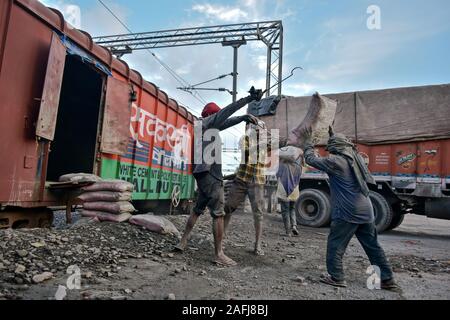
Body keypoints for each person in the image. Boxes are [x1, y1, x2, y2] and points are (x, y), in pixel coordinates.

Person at [174, 87, 263, 267]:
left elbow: (227, 121)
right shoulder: (208, 123)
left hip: (202, 176)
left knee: (197, 210)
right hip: (212, 177)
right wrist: (248, 99)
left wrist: (244, 117)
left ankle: (182, 242)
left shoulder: (203, 126)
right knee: (218, 214)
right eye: (218, 115)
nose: (221, 119)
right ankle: (219, 254)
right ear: (213, 115)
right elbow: (226, 113)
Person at [303, 127, 398, 290]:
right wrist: (332, 135)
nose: (330, 152)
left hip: (348, 211)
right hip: (366, 211)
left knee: (336, 245)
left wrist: (308, 143)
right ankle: (387, 279)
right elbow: (340, 146)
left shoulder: (336, 162)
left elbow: (311, 159)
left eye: (331, 149)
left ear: (335, 149)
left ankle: (336, 277)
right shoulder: (356, 158)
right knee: (372, 246)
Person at [224, 121, 285, 256]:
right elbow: (247, 153)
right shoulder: (245, 139)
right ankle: (221, 238)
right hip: (241, 180)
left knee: (258, 213)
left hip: (257, 182)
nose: (258, 131)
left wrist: (278, 138)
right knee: (228, 207)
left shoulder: (266, 142)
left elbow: (279, 143)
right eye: (256, 129)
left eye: (261, 130)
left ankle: (257, 245)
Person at [276, 146, 303, 236]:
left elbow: (278, 174)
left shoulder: (283, 165)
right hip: (295, 190)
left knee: (285, 211)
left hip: (284, 189)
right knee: (292, 209)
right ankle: (294, 226)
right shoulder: (299, 165)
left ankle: (288, 231)